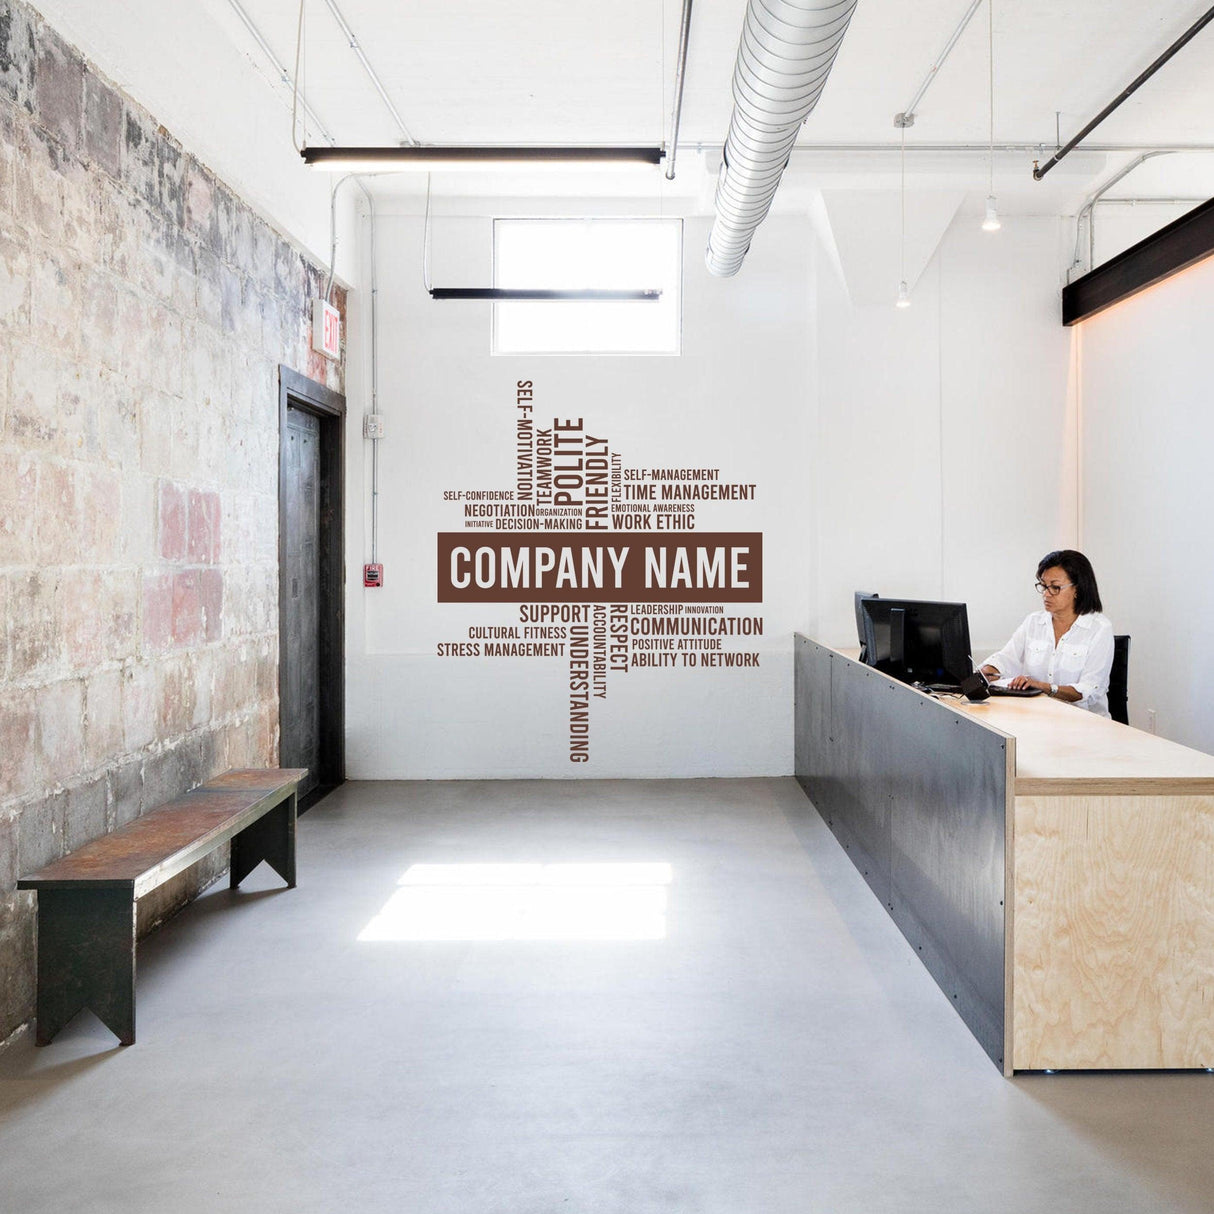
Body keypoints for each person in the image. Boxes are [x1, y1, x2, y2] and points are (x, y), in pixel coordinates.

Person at [980, 549, 1114, 717]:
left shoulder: (1100, 628)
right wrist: (987, 671)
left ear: (1077, 590)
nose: (1046, 594)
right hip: (1038, 718)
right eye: (1043, 586)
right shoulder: (1034, 622)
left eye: (1055, 587)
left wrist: (1043, 686)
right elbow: (1006, 658)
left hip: (1084, 723)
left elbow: (1089, 691)